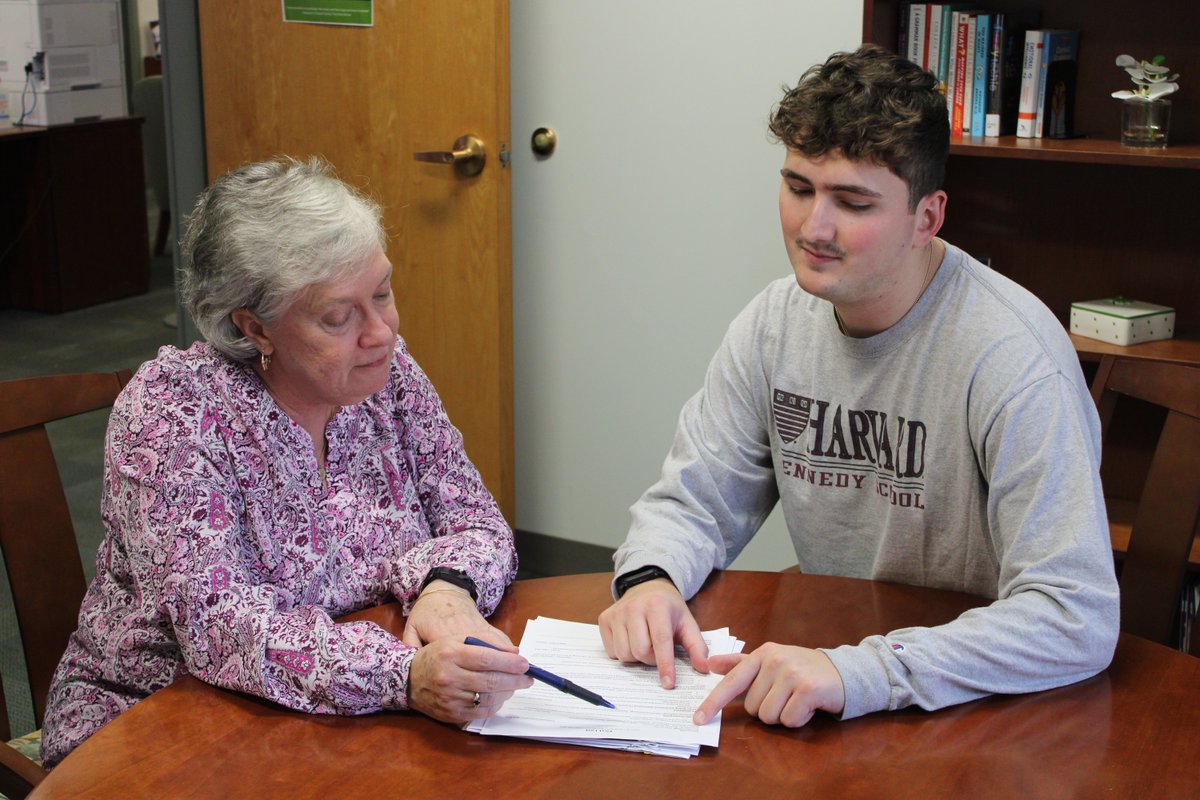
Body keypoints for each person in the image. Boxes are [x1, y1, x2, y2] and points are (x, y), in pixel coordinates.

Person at [599, 45, 1119, 729]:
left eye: (852, 202)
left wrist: (866, 668)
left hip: (983, 700)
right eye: (799, 187)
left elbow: (1074, 614)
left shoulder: (1014, 359)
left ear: (927, 218)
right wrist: (649, 577)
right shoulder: (773, 326)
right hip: (841, 675)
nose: (814, 228)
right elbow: (696, 501)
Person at [41, 156, 532, 766]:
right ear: (255, 327)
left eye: (383, 292)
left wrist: (447, 591)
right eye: (338, 315)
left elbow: (479, 525)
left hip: (342, 722)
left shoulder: (387, 373)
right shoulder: (175, 410)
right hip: (166, 722)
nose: (381, 332)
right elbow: (219, 624)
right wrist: (401, 677)